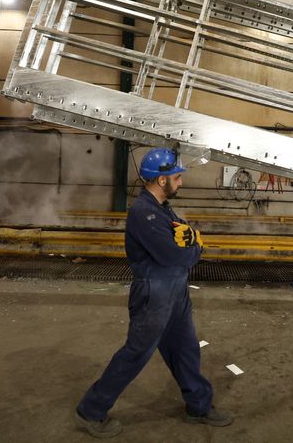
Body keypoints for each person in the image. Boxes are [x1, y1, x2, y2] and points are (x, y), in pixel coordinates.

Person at [75, 147, 232, 438]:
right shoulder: (143, 212)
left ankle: (198, 405)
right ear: (162, 181)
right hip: (154, 293)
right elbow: (176, 256)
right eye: (177, 177)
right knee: (136, 353)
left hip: (175, 291)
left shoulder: (161, 207)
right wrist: (197, 246)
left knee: (186, 349)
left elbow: (181, 233)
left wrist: (188, 237)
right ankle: (92, 410)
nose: (180, 182)